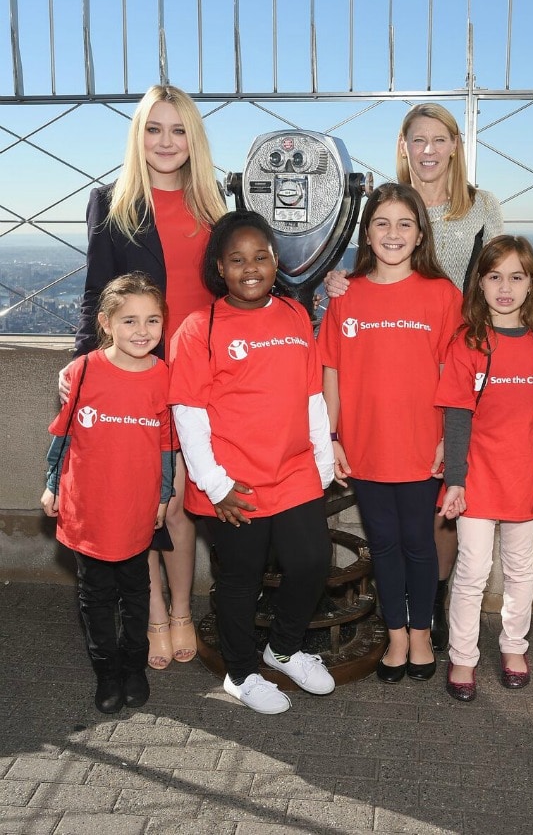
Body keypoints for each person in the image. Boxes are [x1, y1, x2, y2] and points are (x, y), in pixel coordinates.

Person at [324, 102, 533, 650]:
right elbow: (353, 278)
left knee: (444, 518)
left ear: (455, 145)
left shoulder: (482, 206)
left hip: (462, 361)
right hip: (411, 365)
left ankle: (429, 616)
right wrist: (335, 283)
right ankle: (411, 623)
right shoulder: (390, 205)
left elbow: (507, 273)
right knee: (420, 523)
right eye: (417, 139)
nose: (428, 149)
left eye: (439, 139)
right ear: (403, 146)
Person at [59, 84, 225, 670]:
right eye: (154, 129)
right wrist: (81, 368)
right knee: (144, 505)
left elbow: (247, 282)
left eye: (178, 130)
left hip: (204, 379)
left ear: (193, 139)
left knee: (180, 504)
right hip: (138, 378)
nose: (166, 141)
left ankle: (183, 610)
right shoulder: (112, 203)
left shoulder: (214, 205)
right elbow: (93, 296)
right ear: (138, 136)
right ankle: (154, 614)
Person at [168, 210, 336, 714]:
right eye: (237, 259)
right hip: (234, 482)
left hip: (295, 471)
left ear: (275, 260)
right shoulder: (199, 329)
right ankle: (240, 674)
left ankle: (283, 649)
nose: (250, 268)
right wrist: (216, 485)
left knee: (310, 562)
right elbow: (188, 415)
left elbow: (311, 397)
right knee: (240, 580)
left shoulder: (292, 315)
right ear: (220, 267)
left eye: (260, 257)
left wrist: (323, 463)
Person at [318, 182, 463, 684]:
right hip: (366, 447)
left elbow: (456, 371)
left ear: (421, 233)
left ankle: (421, 632)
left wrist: (450, 439)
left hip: (424, 446)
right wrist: (332, 437)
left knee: (419, 543)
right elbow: (330, 372)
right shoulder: (346, 294)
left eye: (405, 223)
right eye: (382, 223)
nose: (393, 233)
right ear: (367, 232)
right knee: (382, 544)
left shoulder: (442, 295)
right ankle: (396, 633)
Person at [436, 236, 533, 701]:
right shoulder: (469, 343)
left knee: (520, 568)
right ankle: (462, 656)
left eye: (516, 277)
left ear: (532, 284)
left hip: (525, 482)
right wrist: (455, 478)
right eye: (494, 276)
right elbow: (457, 416)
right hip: (477, 480)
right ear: (480, 283)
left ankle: (514, 647)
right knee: (473, 571)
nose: (505, 287)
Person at [41, 273, 177, 713]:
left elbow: (166, 446)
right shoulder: (82, 372)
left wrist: (163, 496)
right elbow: (62, 437)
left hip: (136, 509)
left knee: (136, 595)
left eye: (152, 320)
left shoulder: (163, 377)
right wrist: (50, 486)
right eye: (130, 320)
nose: (142, 331)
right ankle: (107, 673)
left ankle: (134, 666)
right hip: (87, 508)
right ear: (106, 323)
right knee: (95, 597)